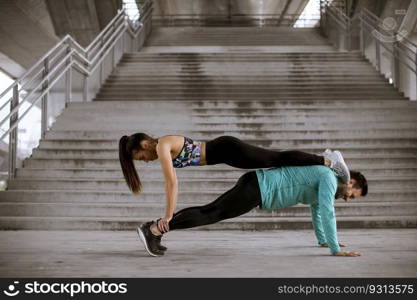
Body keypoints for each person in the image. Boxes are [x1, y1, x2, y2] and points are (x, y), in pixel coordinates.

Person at [119, 134, 351, 238]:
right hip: (225, 153)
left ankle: (328, 160)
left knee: (277, 158)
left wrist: (168, 215)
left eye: (141, 157)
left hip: (228, 150)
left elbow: (171, 182)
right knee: (277, 159)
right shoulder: (160, 147)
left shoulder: (161, 146)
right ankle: (325, 160)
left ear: (145, 144)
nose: (145, 162)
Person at [137, 165, 368, 257]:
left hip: (256, 185)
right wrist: (336, 249)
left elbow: (318, 211)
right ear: (352, 182)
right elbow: (328, 211)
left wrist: (324, 241)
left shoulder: (326, 181)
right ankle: (154, 229)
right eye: (352, 195)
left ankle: (156, 228)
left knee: (210, 211)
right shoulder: (329, 177)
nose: (347, 199)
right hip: (258, 188)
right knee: (211, 213)